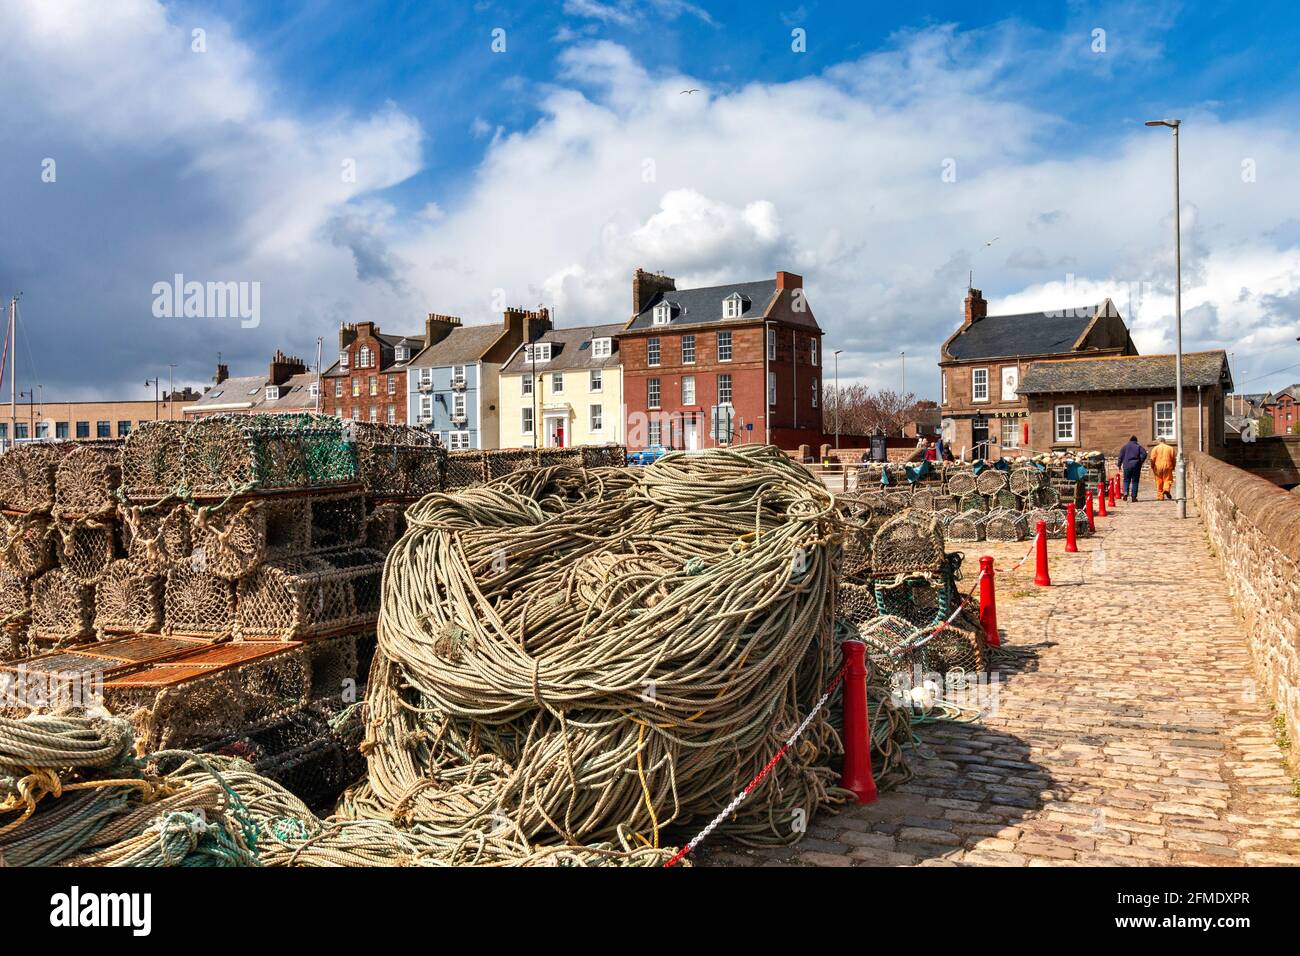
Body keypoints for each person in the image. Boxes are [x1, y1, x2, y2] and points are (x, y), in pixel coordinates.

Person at [1117, 435, 1148, 501]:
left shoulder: (1125, 447)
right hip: (1136, 465)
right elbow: (1144, 454)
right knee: (1135, 481)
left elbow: (1120, 456)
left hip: (1127, 465)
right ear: (1136, 441)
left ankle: (1125, 493)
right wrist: (1141, 461)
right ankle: (1134, 497)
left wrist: (1119, 465)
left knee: (1126, 480)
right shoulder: (1138, 446)